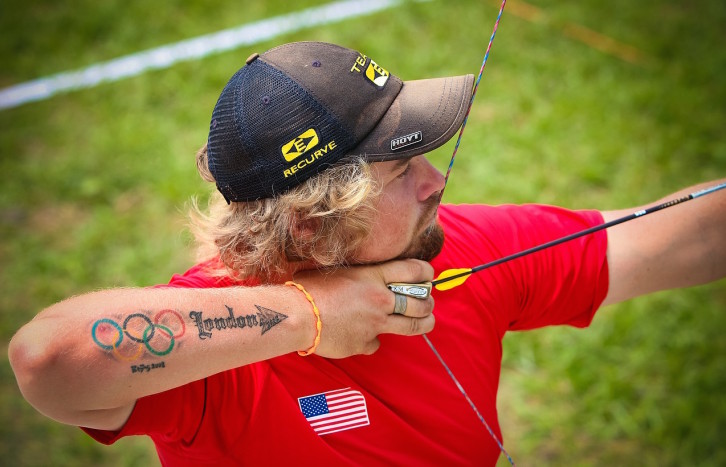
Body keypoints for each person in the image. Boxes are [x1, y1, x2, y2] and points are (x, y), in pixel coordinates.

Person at [8, 42, 725, 466]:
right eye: (401, 167)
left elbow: (686, 233)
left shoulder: (452, 252)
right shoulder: (216, 349)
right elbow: (48, 359)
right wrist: (309, 315)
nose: (437, 179)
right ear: (317, 226)